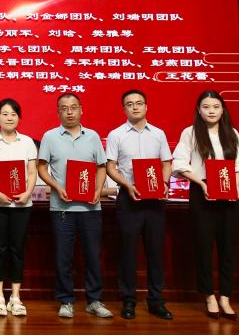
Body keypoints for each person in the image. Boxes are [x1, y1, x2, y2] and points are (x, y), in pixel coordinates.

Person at [172, 90, 239, 320]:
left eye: (216, 107)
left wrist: (235, 183)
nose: (211, 111)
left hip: (228, 193)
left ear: (223, 109)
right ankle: (209, 296)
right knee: (204, 246)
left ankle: (225, 296)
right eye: (206, 107)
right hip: (202, 192)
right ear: (199, 110)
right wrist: (201, 183)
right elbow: (179, 163)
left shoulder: (231, 133)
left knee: (228, 246)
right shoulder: (190, 133)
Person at [37, 92, 112, 319]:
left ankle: (94, 300)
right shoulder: (50, 137)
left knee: (93, 255)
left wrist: (98, 190)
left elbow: (101, 166)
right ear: (58, 112)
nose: (69, 112)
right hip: (62, 208)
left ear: (81, 110)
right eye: (64, 108)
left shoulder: (93, 136)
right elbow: (42, 167)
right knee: (63, 257)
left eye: (73, 107)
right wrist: (56, 186)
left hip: (90, 207)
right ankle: (66, 300)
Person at [104, 89, 174, 320]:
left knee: (155, 251)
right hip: (129, 197)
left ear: (146, 106)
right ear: (124, 108)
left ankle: (156, 300)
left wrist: (164, 183)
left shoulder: (159, 134)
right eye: (129, 104)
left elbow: (166, 163)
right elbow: (111, 167)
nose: (134, 107)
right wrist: (127, 185)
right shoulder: (116, 135)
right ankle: (129, 300)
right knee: (128, 252)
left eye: (139, 103)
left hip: (155, 200)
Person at [0, 98, 37, 318]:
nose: (9, 118)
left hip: (22, 204)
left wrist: (27, 193)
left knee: (17, 249)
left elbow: (32, 171)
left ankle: (15, 297)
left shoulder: (27, 142)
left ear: (19, 118)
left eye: (13, 114)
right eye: (4, 114)